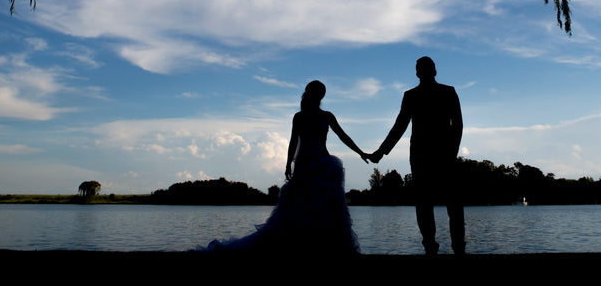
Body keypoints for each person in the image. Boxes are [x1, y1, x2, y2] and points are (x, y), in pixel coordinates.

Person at [197, 80, 368, 254]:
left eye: (321, 93)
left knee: (325, 209)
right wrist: (288, 164)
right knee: (298, 209)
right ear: (312, 94)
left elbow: (343, 136)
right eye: (317, 92)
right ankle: (296, 246)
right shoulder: (299, 117)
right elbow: (293, 141)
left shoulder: (327, 116)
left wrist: (361, 152)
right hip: (305, 166)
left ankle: (324, 247)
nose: (319, 96)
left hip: (323, 165)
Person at [369, 56, 465, 255]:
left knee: (448, 203)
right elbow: (400, 126)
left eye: (425, 68)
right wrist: (381, 151)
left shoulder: (447, 92)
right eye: (422, 68)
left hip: (440, 154)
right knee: (427, 204)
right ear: (421, 72)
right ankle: (434, 246)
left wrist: (452, 152)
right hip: (423, 155)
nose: (424, 71)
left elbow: (458, 125)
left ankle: (454, 247)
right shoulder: (413, 95)